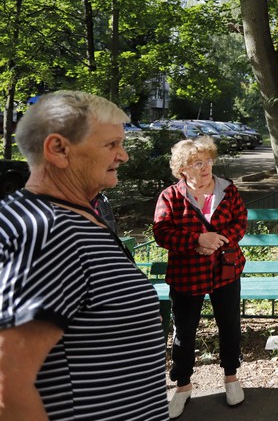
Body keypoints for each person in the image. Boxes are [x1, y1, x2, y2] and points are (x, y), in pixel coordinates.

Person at [0, 91, 167, 420]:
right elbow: (7, 382)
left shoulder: (61, 217)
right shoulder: (51, 231)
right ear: (59, 150)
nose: (124, 156)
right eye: (111, 145)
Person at [154, 136, 248, 418]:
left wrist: (216, 241)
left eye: (208, 160)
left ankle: (231, 377)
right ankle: (182, 385)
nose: (206, 167)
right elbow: (162, 232)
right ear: (183, 169)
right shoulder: (170, 196)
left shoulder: (228, 191)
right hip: (187, 273)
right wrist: (197, 240)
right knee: (184, 332)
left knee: (229, 324)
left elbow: (240, 223)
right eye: (197, 163)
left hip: (225, 269)